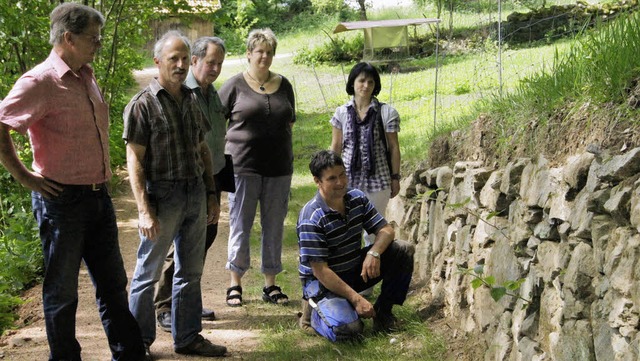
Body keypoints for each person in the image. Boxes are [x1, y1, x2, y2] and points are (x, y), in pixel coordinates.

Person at [0, 3, 146, 360]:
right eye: (92, 39)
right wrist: (23, 175)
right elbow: (2, 122)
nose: (97, 44)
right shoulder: (40, 81)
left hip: (99, 197)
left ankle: (128, 354)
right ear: (69, 38)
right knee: (62, 293)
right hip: (60, 202)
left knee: (113, 285)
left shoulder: (87, 74)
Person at [123, 30, 226, 358]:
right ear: (158, 62)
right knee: (147, 273)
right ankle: (137, 343)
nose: (181, 65)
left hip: (195, 192)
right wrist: (143, 209)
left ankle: (187, 338)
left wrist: (211, 195)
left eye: (184, 58)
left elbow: (203, 150)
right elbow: (134, 159)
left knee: (190, 271)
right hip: (162, 198)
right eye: (174, 59)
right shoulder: (143, 105)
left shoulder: (192, 99)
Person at [297, 150, 414, 341]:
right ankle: (312, 314)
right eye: (332, 178)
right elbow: (320, 271)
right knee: (350, 331)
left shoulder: (356, 197)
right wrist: (357, 299)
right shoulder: (311, 218)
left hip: (352, 270)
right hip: (323, 283)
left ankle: (383, 314)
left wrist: (374, 253)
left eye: (342, 174)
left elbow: (386, 230)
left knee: (403, 250)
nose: (340, 182)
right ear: (317, 181)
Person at [218, 28, 295, 307]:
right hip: (242, 168)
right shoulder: (234, 85)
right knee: (241, 225)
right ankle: (234, 284)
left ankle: (270, 284)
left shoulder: (284, 84)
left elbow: (289, 121)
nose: (264, 56)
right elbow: (216, 123)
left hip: (279, 169)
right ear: (249, 54)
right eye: (259, 51)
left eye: (269, 51)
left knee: (273, 226)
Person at [154, 36, 226, 332]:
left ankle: (187, 302)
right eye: (210, 62)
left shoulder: (212, 94)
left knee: (202, 242)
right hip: (185, 181)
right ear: (194, 60)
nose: (215, 68)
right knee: (178, 247)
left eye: (219, 63)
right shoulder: (184, 93)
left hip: (212, 177)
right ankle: (164, 305)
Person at [330, 62, 402, 296]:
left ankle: (368, 286)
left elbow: (393, 147)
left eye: (370, 82)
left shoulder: (386, 112)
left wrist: (395, 177)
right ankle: (347, 282)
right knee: (347, 232)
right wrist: (329, 178)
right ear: (353, 83)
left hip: (378, 181)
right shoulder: (341, 112)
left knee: (373, 233)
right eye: (361, 80)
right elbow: (336, 146)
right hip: (347, 181)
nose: (365, 85)